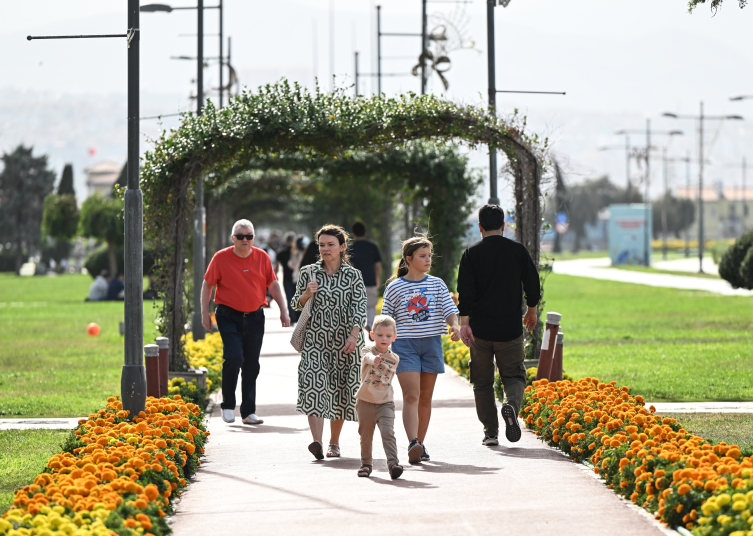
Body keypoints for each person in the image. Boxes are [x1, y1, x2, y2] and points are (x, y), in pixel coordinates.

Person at [457, 204, 540, 446]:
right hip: (510, 329)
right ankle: (511, 405)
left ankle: (490, 433)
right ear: (504, 226)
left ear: (480, 227)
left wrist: (465, 323)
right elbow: (532, 284)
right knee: (513, 375)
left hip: (480, 331)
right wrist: (531, 311)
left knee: (482, 382)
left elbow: (465, 291)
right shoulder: (517, 251)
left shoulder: (471, 253)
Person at [201, 219, 291, 426]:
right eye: (240, 236)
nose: (244, 240)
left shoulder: (262, 257)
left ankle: (248, 412)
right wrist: (204, 314)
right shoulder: (221, 258)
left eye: (248, 236)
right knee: (233, 356)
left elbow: (274, 284)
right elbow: (207, 285)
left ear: (253, 238)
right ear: (233, 238)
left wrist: (284, 311)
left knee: (251, 364)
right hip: (228, 315)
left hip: (255, 317)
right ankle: (227, 405)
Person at [381, 236, 460, 464]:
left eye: (429, 256)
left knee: (426, 398)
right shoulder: (395, 287)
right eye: (422, 256)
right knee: (412, 395)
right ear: (409, 259)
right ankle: (413, 441)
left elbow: (448, 308)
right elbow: (387, 319)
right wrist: (383, 345)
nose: (428, 260)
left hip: (431, 343)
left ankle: (420, 446)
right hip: (405, 345)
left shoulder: (437, 283)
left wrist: (454, 325)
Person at [291, 224, 367, 460]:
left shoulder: (354, 275)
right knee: (314, 383)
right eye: (322, 245)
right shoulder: (308, 272)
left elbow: (360, 307)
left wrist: (354, 336)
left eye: (330, 244)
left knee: (341, 391)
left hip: (346, 342)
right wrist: (306, 295)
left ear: (342, 247)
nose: (325, 249)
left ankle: (334, 443)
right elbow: (296, 303)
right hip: (316, 341)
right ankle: (317, 442)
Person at [356, 315, 403, 480]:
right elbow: (366, 357)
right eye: (380, 335)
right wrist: (374, 359)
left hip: (385, 403)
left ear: (394, 338)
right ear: (372, 335)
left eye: (388, 336)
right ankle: (366, 464)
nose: (384, 338)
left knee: (387, 432)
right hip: (365, 402)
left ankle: (393, 464)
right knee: (366, 435)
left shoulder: (395, 358)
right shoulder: (367, 350)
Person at [349, 221, 383, 331]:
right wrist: (377, 279)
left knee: (355, 305)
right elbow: (377, 265)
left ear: (353, 234)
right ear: (365, 233)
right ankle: (370, 324)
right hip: (370, 280)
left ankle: (357, 325)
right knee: (371, 305)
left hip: (354, 282)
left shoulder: (350, 248)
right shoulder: (372, 247)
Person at [275, 232, 298, 322]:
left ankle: (292, 317)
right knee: (298, 297)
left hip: (287, 279)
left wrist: (275, 275)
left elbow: (277, 266)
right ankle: (296, 316)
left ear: (285, 241)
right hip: (297, 278)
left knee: (289, 298)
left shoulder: (281, 252)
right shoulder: (297, 252)